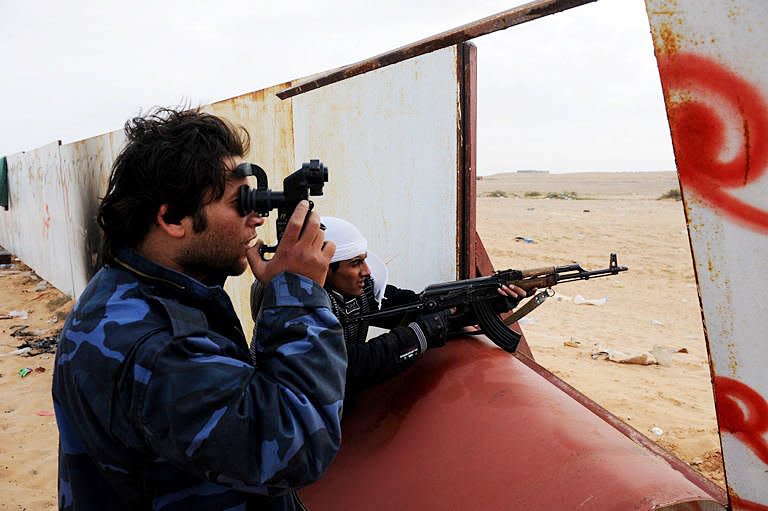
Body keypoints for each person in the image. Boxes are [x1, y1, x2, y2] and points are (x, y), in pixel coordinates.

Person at [52, 107, 345, 511]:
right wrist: (299, 296)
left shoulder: (131, 288)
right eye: (240, 202)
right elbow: (298, 443)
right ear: (173, 217)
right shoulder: (160, 348)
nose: (257, 217)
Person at [251, 216, 526, 400]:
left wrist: (489, 301)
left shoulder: (359, 291)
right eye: (355, 263)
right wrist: (419, 334)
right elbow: (347, 367)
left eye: (365, 261)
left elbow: (413, 308)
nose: (367, 272)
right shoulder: (301, 311)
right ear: (325, 270)